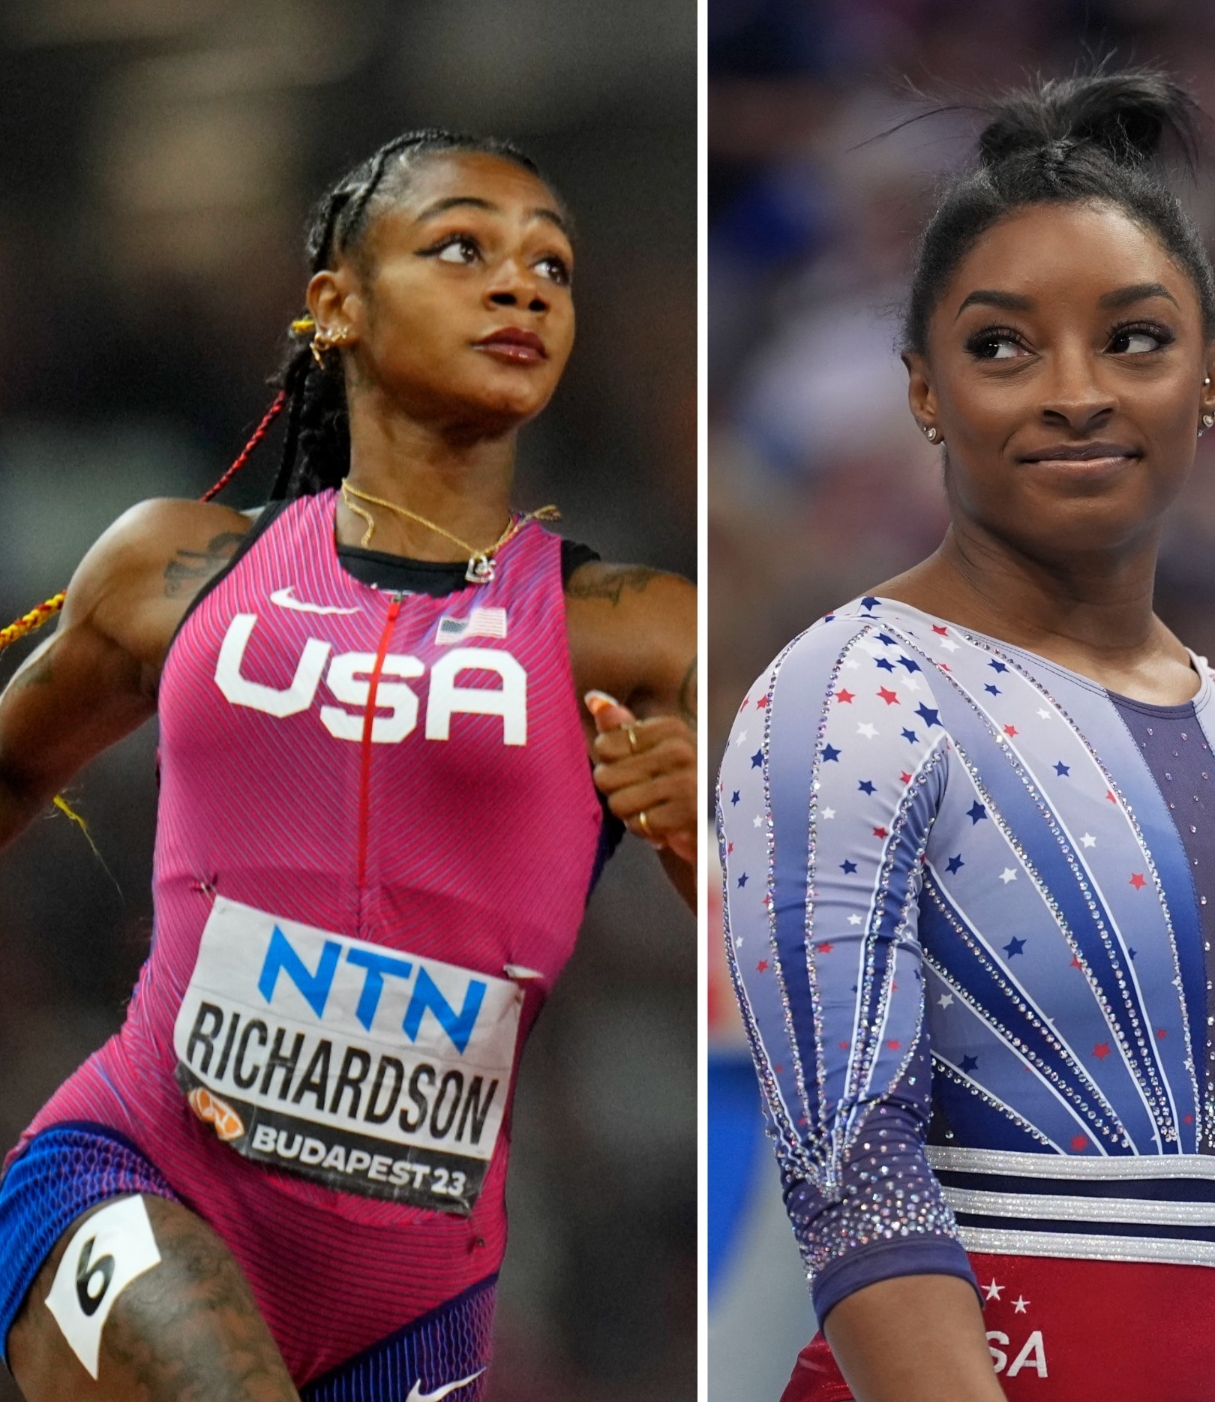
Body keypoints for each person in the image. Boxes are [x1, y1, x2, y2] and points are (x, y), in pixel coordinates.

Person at [0, 130, 697, 1400]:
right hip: (142, 1175)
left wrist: (703, 838)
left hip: (416, 1306)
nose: (522, 285)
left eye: (554, 263)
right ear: (338, 305)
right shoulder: (176, 570)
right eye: (462, 248)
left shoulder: (637, 628)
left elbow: (793, 957)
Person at [717, 71, 1215, 1402]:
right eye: (1001, 346)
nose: (1073, 392)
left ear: (1213, 380)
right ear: (923, 389)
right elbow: (849, 1165)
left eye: (1133, 340)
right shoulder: (852, 693)